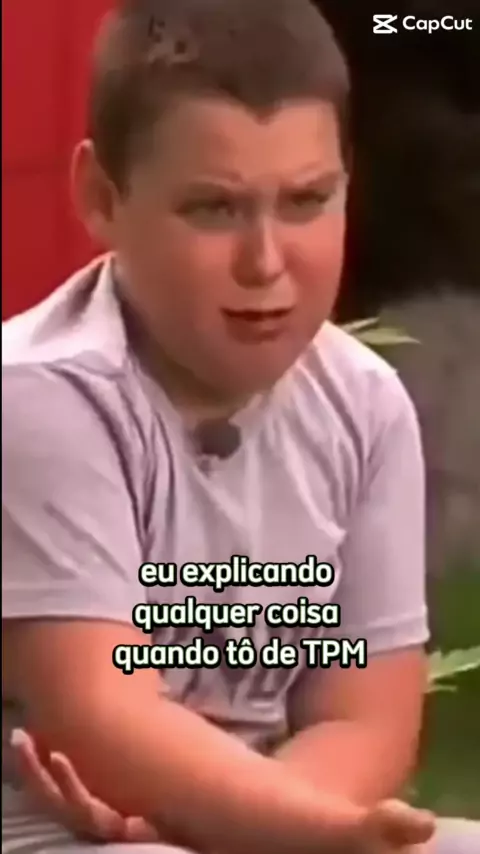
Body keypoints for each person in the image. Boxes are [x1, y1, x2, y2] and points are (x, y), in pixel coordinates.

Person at [2, 0, 479, 852]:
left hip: (282, 816)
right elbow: (101, 712)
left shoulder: (366, 403)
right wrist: (300, 833)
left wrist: (287, 829)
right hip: (65, 825)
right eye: (214, 209)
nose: (265, 263)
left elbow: (365, 716)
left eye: (305, 201)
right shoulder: (43, 395)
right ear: (102, 197)